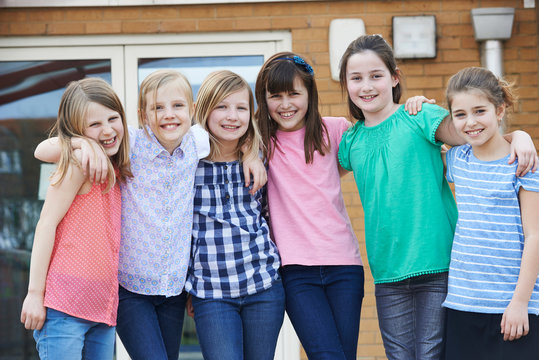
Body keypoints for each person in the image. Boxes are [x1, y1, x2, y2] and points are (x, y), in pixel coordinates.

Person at [34, 69, 266, 360]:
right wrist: (83, 142)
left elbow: (234, 133)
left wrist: (252, 152)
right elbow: (43, 149)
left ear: (192, 111)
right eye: (158, 107)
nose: (168, 114)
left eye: (178, 106)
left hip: (173, 291)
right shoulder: (130, 143)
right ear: (143, 115)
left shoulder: (197, 141)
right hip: (131, 289)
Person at [337, 34, 538, 360]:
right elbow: (314, 178)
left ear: (394, 77)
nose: (367, 85)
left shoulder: (421, 118)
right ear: (345, 84)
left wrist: (520, 136)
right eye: (356, 78)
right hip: (387, 272)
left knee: (432, 355)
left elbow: (477, 134)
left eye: (376, 75)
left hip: (439, 267)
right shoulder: (350, 141)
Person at [254, 52, 364, 360]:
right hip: (295, 270)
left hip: (344, 265)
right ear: (264, 100)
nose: (285, 104)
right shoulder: (260, 142)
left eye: (294, 94)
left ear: (309, 94)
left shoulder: (336, 130)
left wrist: (415, 106)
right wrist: (251, 153)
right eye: (275, 96)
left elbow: (383, 135)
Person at [20, 77, 132, 359]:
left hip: (103, 312)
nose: (107, 130)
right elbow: (46, 224)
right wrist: (35, 294)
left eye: (113, 118)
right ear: (78, 132)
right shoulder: (80, 165)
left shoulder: (115, 169)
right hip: (64, 308)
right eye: (94, 125)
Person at [185, 70, 284, 360]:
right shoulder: (187, 161)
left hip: (263, 286)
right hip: (211, 291)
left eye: (241, 108)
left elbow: (268, 213)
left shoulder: (260, 157)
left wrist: (250, 151)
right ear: (204, 110)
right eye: (222, 107)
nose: (232, 116)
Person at [442, 67, 539, 360]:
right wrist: (416, 103)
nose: (470, 122)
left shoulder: (523, 163)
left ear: (499, 110)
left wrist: (520, 302)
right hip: (462, 304)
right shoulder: (457, 159)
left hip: (513, 307)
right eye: (460, 114)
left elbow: (535, 235)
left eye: (479, 111)